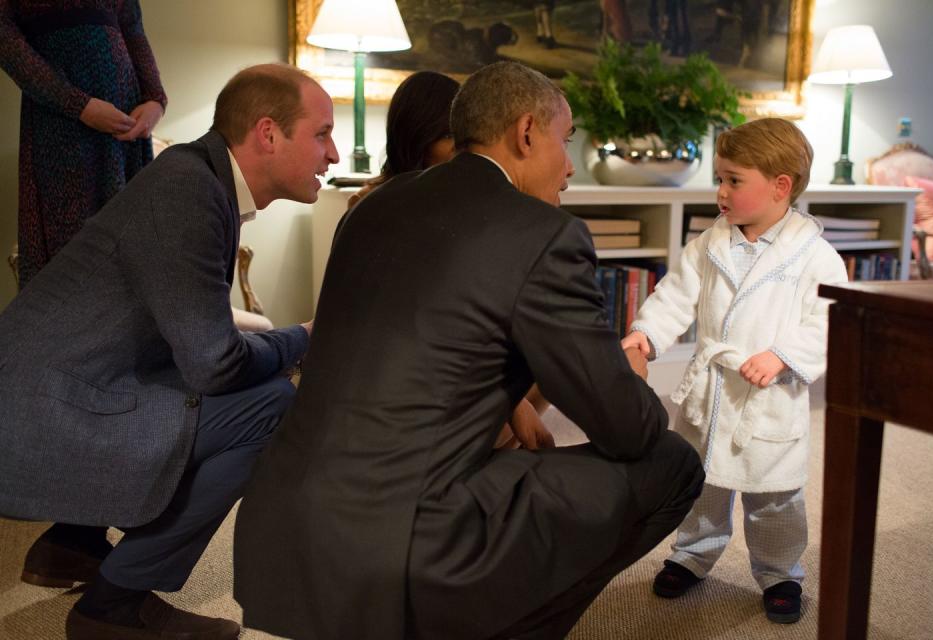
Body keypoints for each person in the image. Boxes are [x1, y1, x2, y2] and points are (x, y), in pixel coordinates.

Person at [234, 60, 705, 640]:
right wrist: (630, 375)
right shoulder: (544, 236)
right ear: (527, 132)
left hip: (279, 528)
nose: (569, 167)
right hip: (404, 547)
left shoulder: (371, 208)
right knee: (673, 463)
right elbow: (626, 429)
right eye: (566, 140)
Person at [0, 63, 339, 639]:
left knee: (224, 389)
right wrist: (304, 337)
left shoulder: (196, 177)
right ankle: (113, 606)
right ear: (267, 133)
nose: (331, 155)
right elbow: (216, 365)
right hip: (41, 415)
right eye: (322, 133)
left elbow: (192, 338)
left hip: (57, 389)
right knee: (271, 405)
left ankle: (71, 544)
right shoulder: (190, 190)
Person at [621, 117, 848, 623]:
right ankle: (692, 554)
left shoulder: (815, 256)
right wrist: (648, 334)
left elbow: (828, 318)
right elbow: (675, 294)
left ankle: (781, 572)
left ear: (780, 186)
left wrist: (784, 355)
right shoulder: (709, 244)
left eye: (733, 180)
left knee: (774, 496)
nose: (720, 191)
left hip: (770, 396)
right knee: (703, 483)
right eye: (718, 178)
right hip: (712, 389)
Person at [349, 69, 551, 447]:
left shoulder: (465, 203)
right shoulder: (374, 207)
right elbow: (421, 331)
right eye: (450, 139)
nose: (463, 153)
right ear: (418, 140)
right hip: (402, 373)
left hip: (450, 357)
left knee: (543, 356)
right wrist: (511, 402)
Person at [0, 0, 167, 288]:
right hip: (61, 126)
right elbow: (4, 38)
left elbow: (132, 28)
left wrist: (155, 99)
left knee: (131, 249)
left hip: (125, 127)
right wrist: (78, 105)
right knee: (72, 254)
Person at [348, 70, 460, 207]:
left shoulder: (469, 196)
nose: (462, 146)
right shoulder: (368, 202)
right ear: (416, 136)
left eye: (464, 133)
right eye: (449, 136)